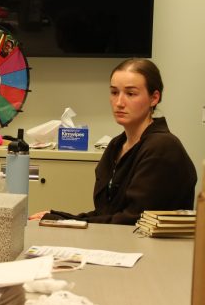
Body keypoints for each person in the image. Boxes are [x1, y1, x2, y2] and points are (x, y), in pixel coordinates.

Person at [30, 58, 196, 225]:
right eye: (114, 92)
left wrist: (62, 220)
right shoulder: (116, 145)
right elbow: (105, 213)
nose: (119, 102)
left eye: (130, 94)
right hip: (118, 244)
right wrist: (60, 217)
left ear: (154, 98)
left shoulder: (163, 147)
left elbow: (132, 221)